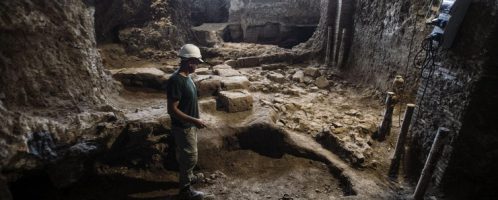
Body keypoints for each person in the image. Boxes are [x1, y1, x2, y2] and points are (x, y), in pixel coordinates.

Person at [167, 44, 208, 200]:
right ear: (189, 61)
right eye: (196, 62)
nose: (197, 65)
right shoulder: (176, 81)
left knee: (188, 155)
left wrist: (194, 121)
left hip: (189, 125)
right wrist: (194, 120)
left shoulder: (187, 77)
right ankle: (185, 190)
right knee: (190, 157)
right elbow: (172, 109)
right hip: (183, 126)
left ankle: (188, 177)